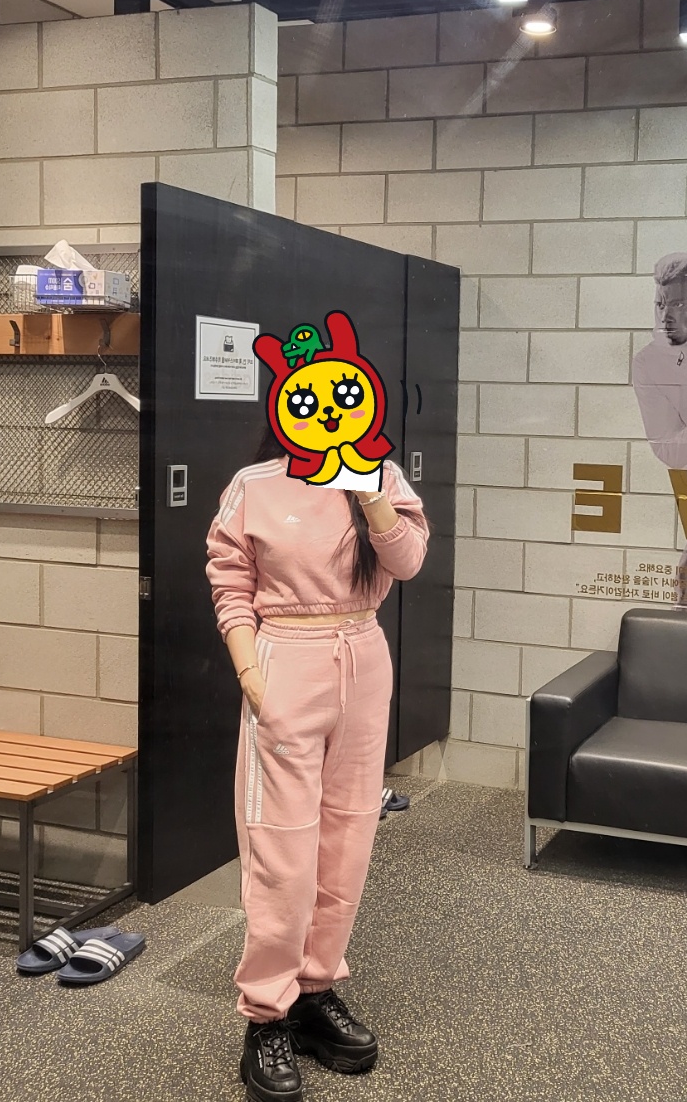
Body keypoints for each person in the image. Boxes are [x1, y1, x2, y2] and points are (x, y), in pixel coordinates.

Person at [206, 422, 429, 1102]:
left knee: (347, 837)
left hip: (363, 658)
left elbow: (408, 562)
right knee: (283, 848)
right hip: (285, 662)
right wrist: (251, 673)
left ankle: (314, 988)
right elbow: (230, 580)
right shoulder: (255, 484)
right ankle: (266, 1015)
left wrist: (368, 491)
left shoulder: (382, 475)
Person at [632, 252, 687, 607]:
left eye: (677, 304)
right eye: (660, 304)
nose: (664, 316)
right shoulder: (648, 363)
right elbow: (667, 450)